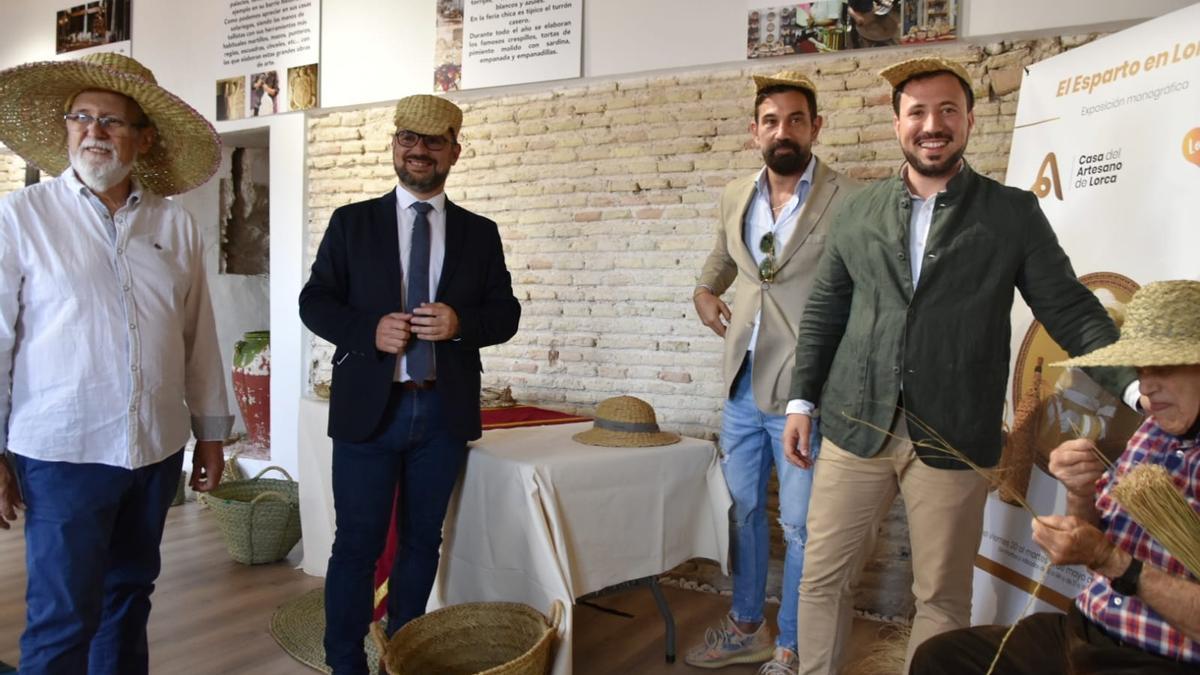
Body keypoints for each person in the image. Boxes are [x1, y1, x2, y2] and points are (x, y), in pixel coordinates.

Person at [781, 56, 1140, 674]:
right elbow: (823, 314)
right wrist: (800, 400)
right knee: (821, 580)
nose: (932, 124)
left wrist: (1136, 385)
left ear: (970, 121)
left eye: (948, 110)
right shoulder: (856, 212)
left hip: (955, 436)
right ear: (897, 124)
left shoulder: (1011, 213)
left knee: (941, 595)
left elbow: (1071, 309)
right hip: (853, 425)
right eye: (917, 112)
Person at [0, 53, 230, 674]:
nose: (94, 131)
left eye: (111, 121)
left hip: (153, 453)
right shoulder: (21, 218)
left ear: (143, 137)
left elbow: (198, 338)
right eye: (81, 118)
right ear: (66, 128)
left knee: (129, 600)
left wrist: (211, 438)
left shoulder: (173, 223)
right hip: (61, 455)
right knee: (62, 617)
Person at [299, 94, 521, 675]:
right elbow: (314, 302)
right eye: (407, 138)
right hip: (369, 412)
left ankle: (405, 655)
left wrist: (460, 324)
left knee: (424, 544)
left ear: (454, 150)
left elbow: (506, 314)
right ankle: (345, 663)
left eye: (432, 141)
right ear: (395, 144)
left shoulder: (480, 232)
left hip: (442, 416)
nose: (418, 150)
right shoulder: (352, 223)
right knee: (356, 547)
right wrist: (368, 330)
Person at [911, 279, 1200, 674]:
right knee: (941, 660)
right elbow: (1094, 546)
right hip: (1086, 632)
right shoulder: (1152, 431)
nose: (1146, 385)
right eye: (1140, 368)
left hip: (1160, 659)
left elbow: (1110, 559)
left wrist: (1117, 563)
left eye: (1164, 366)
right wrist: (1079, 491)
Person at [688, 69, 857, 674]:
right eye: (770, 121)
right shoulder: (737, 194)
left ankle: (793, 642)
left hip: (803, 391)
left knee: (802, 524)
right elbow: (719, 260)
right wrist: (706, 292)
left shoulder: (848, 198)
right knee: (742, 512)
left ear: (815, 127)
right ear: (753, 131)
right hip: (740, 383)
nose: (781, 131)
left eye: (794, 120)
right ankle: (745, 622)